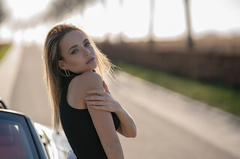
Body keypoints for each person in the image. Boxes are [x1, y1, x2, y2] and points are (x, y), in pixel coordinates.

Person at [43, 23, 137, 159]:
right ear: (62, 64)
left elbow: (130, 131)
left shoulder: (68, 89)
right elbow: (111, 143)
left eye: (86, 44)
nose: (87, 51)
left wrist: (116, 107)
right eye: (75, 51)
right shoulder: (89, 80)